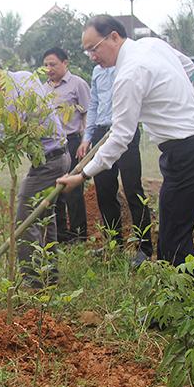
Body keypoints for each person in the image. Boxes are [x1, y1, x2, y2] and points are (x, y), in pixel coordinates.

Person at [58, 15, 194, 274]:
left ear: (114, 37)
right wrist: (162, 94)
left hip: (185, 154)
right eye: (87, 51)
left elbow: (121, 137)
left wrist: (83, 174)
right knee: (173, 234)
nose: (92, 57)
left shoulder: (129, 74)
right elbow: (187, 66)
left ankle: (176, 310)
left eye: (94, 48)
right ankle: (178, 306)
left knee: (173, 238)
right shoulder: (152, 45)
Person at [0, 55, 70, 289]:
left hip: (49, 162)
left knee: (24, 222)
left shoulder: (11, 97)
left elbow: (3, 144)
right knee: (43, 219)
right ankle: (49, 277)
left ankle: (33, 284)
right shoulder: (24, 77)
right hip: (58, 157)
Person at [77, 65, 153, 268]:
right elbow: (93, 105)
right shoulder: (97, 71)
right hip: (101, 133)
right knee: (104, 192)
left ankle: (144, 249)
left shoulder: (128, 67)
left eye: (95, 48)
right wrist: (87, 137)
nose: (93, 55)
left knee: (133, 190)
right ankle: (114, 244)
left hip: (125, 130)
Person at [42, 47, 90, 243]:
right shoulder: (44, 87)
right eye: (45, 65)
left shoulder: (78, 84)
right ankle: (60, 235)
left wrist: (85, 140)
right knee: (56, 191)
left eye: (52, 64)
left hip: (72, 141)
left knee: (73, 191)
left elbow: (88, 112)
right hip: (51, 144)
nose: (49, 69)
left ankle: (78, 236)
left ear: (65, 63)